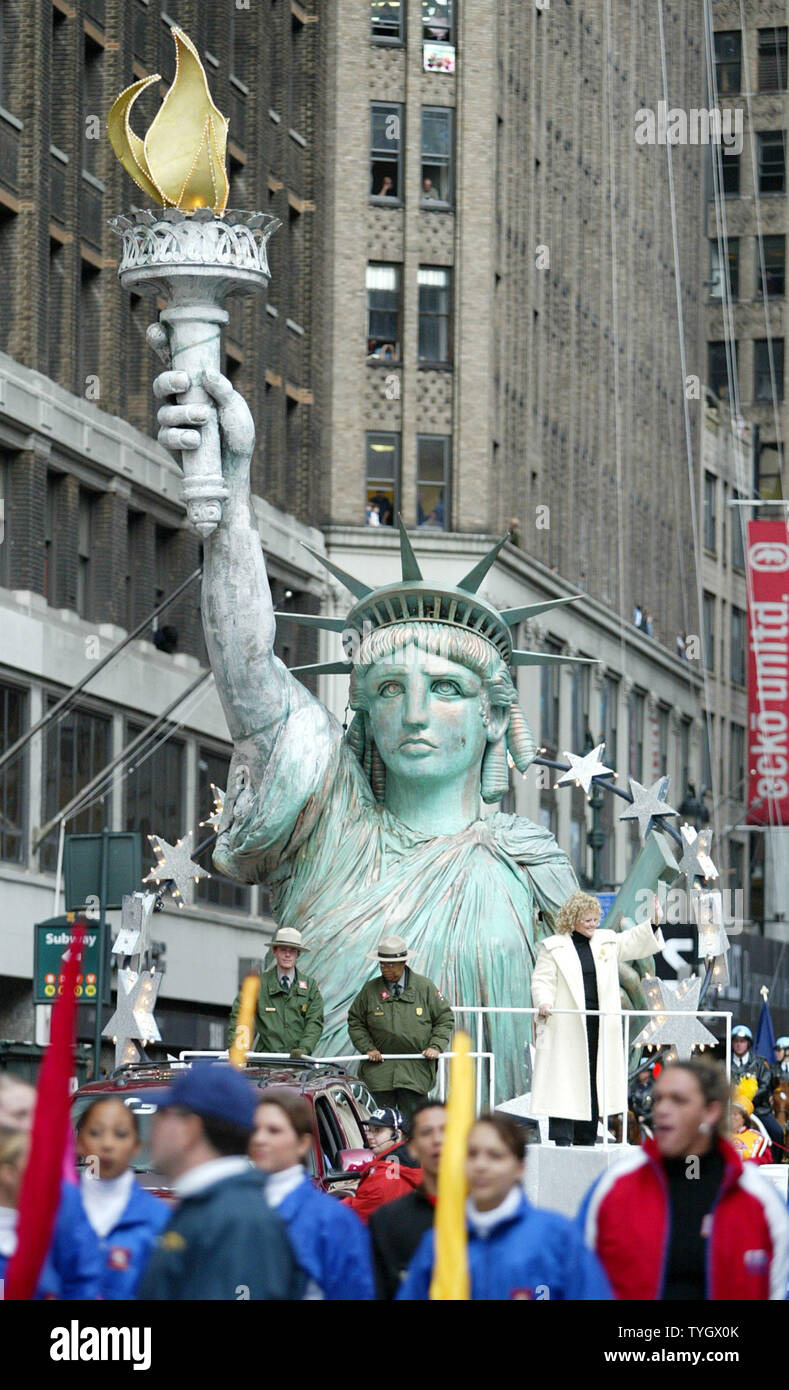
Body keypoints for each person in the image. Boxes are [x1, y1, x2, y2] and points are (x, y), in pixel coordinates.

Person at [150, 359, 612, 1107]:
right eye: (391, 689)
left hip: (487, 1162)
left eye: (448, 690)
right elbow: (245, 667)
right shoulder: (329, 821)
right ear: (361, 709)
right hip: (324, 1159)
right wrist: (231, 493)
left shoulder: (533, 867)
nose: (417, 714)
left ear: (496, 715)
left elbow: (589, 1025)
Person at [579, 1058, 789, 1300]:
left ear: (711, 1111)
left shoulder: (761, 1202)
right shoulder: (614, 1186)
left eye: (678, 1100)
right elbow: (583, 1281)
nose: (661, 1110)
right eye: (659, 1099)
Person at [398, 1113, 612, 1300]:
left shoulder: (557, 1237)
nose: (481, 1165)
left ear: (520, 1167)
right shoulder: (438, 1244)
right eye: (472, 1154)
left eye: (495, 1155)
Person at [137, 1063, 303, 1301]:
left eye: (163, 1114)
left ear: (191, 1129)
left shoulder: (236, 1219)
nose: (153, 1126)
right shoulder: (216, 1208)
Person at [530, 891, 664, 1146]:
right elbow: (542, 980)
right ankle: (561, 1136)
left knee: (593, 1078)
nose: (593, 924)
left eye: (596, 919)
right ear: (573, 919)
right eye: (588, 920)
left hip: (600, 1024)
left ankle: (586, 1136)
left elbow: (634, 941)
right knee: (566, 1080)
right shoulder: (554, 947)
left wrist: (654, 922)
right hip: (567, 1024)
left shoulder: (607, 941)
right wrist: (543, 1002)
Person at [250, 1092, 374, 1300]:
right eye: (254, 1129)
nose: (259, 1139)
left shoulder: (332, 1220)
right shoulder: (222, 1208)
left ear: (302, 1143)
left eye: (274, 1130)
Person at [347, 935, 454, 1125]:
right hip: (380, 1071)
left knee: (417, 1126)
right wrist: (367, 1048)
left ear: (403, 962)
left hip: (415, 1070)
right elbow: (355, 1021)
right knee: (379, 1125)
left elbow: (444, 1018)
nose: (385, 969)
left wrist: (436, 1045)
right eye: (382, 964)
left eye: (390, 965)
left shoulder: (424, 987)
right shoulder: (370, 990)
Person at [74, 1097, 170, 1299]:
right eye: (95, 1133)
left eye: (120, 1134)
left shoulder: (160, 1219)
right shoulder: (56, 1210)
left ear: (136, 1145)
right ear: (79, 1143)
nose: (108, 1144)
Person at [0, 1125, 102, 1298]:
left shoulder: (63, 1214)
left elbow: (84, 1280)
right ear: (8, 1175)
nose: (45, 1176)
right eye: (35, 1167)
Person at [368, 1099, 446, 1299]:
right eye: (427, 1132)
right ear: (411, 1148)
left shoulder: (489, 1217)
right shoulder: (386, 1221)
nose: (437, 1140)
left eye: (446, 1130)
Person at [226, 926, 323, 1060]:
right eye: (283, 950)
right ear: (275, 951)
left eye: (292, 951)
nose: (287, 955)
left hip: (298, 1066)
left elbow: (314, 1022)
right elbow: (240, 1016)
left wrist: (304, 1050)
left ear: (298, 954)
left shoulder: (311, 987)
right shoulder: (257, 985)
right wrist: (239, 1048)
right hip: (266, 1065)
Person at [343, 1105, 422, 1223]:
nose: (369, 1136)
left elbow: (357, 1212)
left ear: (397, 1134)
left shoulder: (386, 1175)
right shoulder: (406, 1160)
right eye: (369, 1130)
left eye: (377, 1130)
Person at [730, 1024, 783, 1160]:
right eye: (736, 1041)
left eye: (742, 1041)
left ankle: (775, 1166)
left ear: (748, 1043)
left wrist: (748, 1102)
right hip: (731, 1110)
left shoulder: (760, 1063)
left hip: (758, 1109)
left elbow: (765, 1086)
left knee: (777, 1132)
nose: (739, 1044)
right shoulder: (723, 1063)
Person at [729, 1093, 770, 1165]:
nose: (732, 1117)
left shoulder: (757, 1137)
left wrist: (748, 1162)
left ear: (744, 1118)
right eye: (730, 1114)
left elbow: (767, 1159)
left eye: (735, 1114)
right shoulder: (721, 1135)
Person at [629, 1059, 654, 1129]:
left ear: (649, 1073)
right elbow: (629, 1102)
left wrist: (645, 1117)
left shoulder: (655, 1089)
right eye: (641, 1071)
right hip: (633, 1120)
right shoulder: (633, 1086)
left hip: (649, 1122)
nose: (641, 1073)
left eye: (644, 1071)